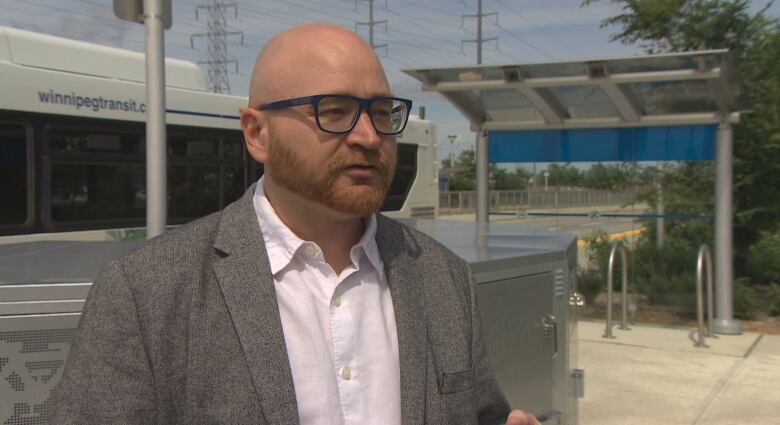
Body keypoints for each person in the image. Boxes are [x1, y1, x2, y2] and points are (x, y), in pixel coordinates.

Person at [50, 23, 539, 425]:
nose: (368, 136)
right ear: (257, 133)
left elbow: (481, 414)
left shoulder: (444, 277)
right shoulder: (146, 292)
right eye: (335, 112)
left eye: (383, 112)